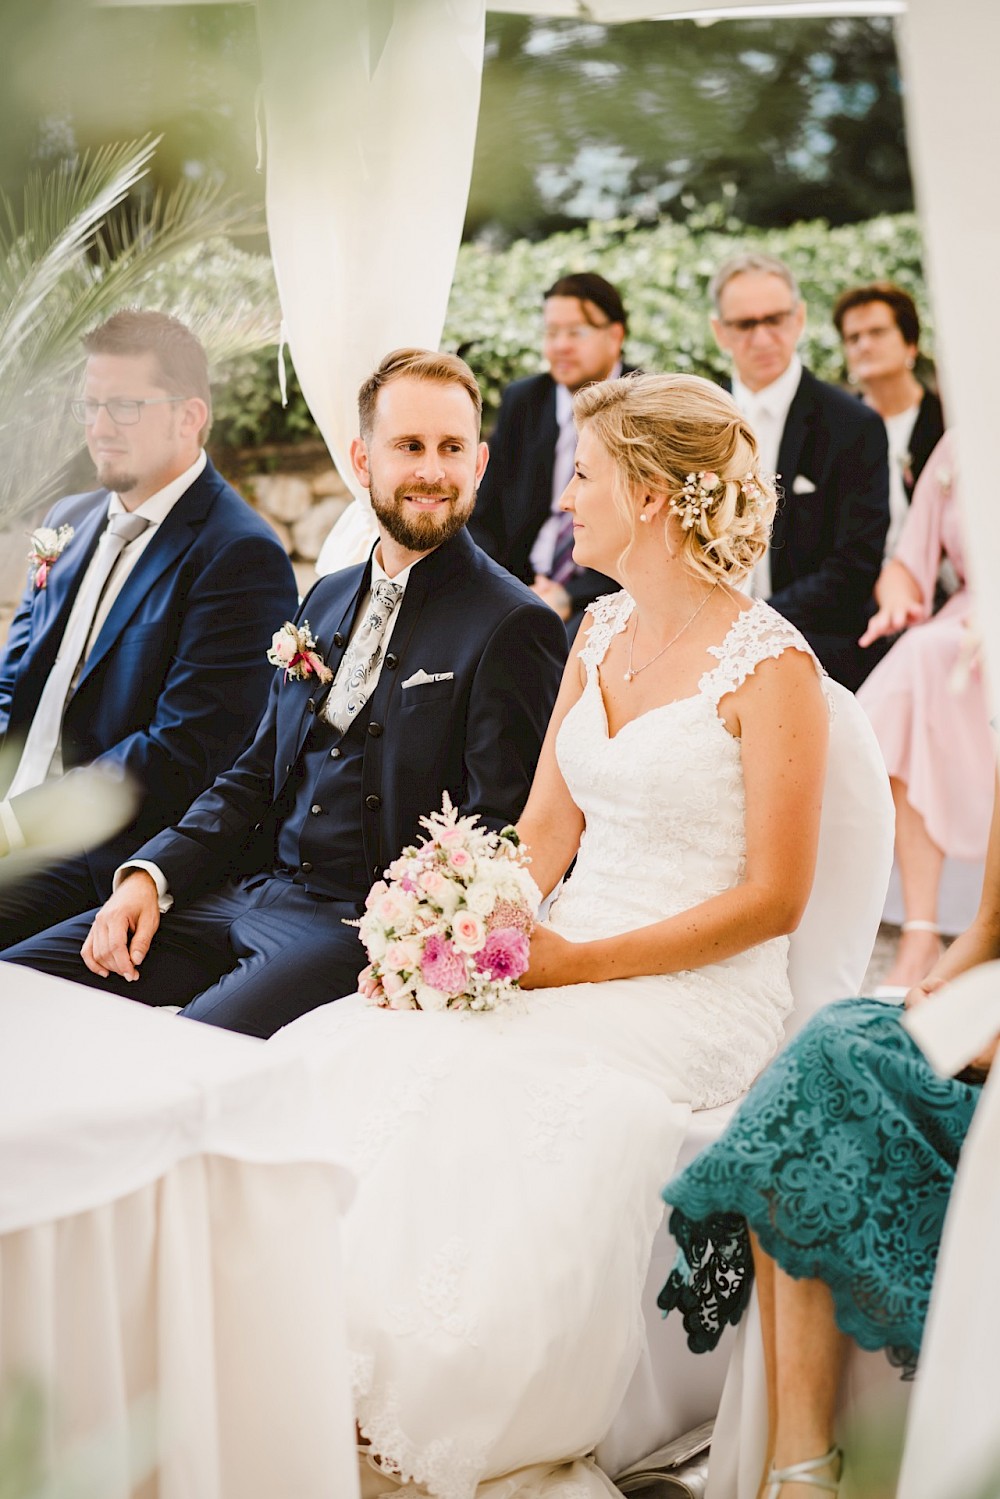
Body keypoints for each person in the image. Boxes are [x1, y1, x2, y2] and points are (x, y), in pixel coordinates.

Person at [264, 372, 829, 1498]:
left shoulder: (774, 670)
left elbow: (775, 899)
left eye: (585, 473)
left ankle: (457, 1392)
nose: (565, 496)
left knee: (505, 1093)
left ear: (654, 498)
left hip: (694, 985)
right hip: (565, 948)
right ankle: (304, 1347)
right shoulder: (598, 625)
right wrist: (455, 928)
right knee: (353, 1046)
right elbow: (537, 832)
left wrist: (567, 962)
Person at [1, 349, 568, 1037]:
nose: (431, 471)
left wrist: (412, 942)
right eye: (409, 446)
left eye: (452, 448)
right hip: (241, 894)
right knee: (21, 980)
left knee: (190, 1051)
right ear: (363, 462)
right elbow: (248, 776)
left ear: (478, 464)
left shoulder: (515, 624)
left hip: (354, 929)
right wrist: (151, 875)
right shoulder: (326, 597)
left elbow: (496, 831)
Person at [660, 772, 1000, 1499]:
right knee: (827, 1048)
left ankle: (800, 1475)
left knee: (832, 1071)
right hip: (981, 1033)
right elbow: (991, 927)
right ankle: (798, 1461)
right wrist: (939, 992)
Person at [0, 309, 298, 948]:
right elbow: (13, 684)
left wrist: (18, 825)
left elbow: (183, 749)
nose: (99, 429)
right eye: (89, 405)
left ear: (189, 416)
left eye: (125, 407)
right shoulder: (69, 520)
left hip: (100, 853)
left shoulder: (238, 554)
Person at [710, 253, 890, 691]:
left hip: (817, 640)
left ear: (799, 319)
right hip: (706, 634)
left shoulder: (852, 425)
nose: (762, 336)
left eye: (775, 319)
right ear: (719, 332)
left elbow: (855, 564)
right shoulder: (697, 420)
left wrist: (754, 623)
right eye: (745, 324)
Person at [856, 431, 993, 992]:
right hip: (960, 627)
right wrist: (895, 600)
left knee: (925, 659)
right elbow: (909, 561)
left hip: (983, 631)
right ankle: (921, 931)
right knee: (919, 661)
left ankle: (928, 934)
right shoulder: (962, 442)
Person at [469, 272, 635, 635]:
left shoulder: (644, 405)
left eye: (575, 332)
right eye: (551, 332)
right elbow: (483, 516)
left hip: (608, 591)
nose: (560, 346)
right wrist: (506, 588)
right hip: (518, 585)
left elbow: (646, 530)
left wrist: (569, 595)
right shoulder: (524, 401)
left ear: (615, 335)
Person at [833, 281, 944, 563]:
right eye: (853, 338)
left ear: (911, 344)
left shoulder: (945, 420)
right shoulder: (836, 428)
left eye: (877, 332)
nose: (864, 345)